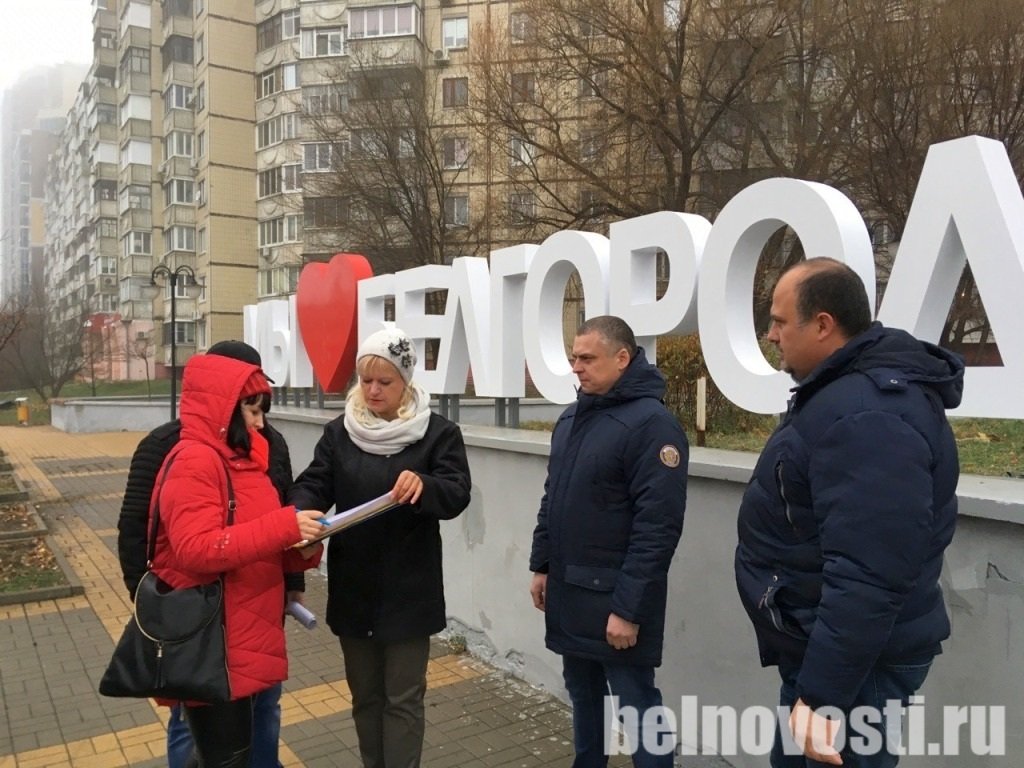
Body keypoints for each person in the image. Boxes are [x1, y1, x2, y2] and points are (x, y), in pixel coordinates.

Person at [735, 258, 963, 767]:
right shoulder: (846, 395)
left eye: (779, 321)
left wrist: (822, 695)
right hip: (836, 658)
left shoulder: (868, 415)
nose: (771, 335)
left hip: (856, 670)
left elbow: (869, 573)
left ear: (822, 325)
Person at [288, 326, 471, 768]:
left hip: (410, 592)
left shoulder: (437, 433)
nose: (371, 390)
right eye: (365, 380)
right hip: (355, 590)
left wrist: (425, 485)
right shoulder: (340, 433)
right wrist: (296, 514)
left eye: (383, 382)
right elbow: (314, 484)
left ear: (405, 381)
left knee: (403, 701)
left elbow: (457, 493)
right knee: (365, 699)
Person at [116, 341, 300, 768]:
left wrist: (295, 573)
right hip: (200, 628)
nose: (260, 419)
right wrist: (157, 608)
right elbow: (137, 533)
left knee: (262, 718)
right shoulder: (172, 447)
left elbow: (279, 516)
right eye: (250, 401)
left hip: (256, 618)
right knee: (195, 733)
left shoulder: (267, 444)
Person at [529, 315, 688, 768]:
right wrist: (541, 565)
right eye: (573, 357)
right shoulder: (572, 417)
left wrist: (628, 609)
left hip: (616, 604)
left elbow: (658, 529)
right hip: (571, 591)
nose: (576, 367)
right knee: (584, 697)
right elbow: (553, 497)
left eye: (586, 358)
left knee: (638, 705)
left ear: (622, 358)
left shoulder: (652, 426)